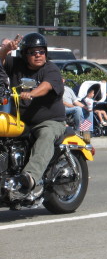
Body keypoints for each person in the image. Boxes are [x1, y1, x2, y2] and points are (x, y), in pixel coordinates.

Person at [0, 32, 66, 195]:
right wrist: (6, 49)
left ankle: (29, 177)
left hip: (49, 121)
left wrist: (32, 93)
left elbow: (47, 85)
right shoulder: (16, 65)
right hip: (22, 121)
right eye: (33, 52)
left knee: (45, 134)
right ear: (24, 54)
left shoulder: (51, 69)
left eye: (41, 51)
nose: (38, 55)